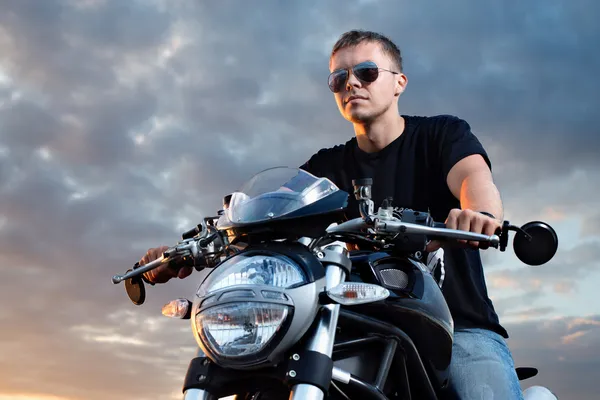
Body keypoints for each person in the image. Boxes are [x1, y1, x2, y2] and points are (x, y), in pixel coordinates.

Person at [140, 30, 523, 399]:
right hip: (354, 323)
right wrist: (184, 251)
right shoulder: (323, 170)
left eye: (367, 73)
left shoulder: (442, 135)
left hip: (457, 325)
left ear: (399, 83)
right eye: (339, 78)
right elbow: (265, 212)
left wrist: (480, 214)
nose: (352, 83)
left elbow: (474, 176)